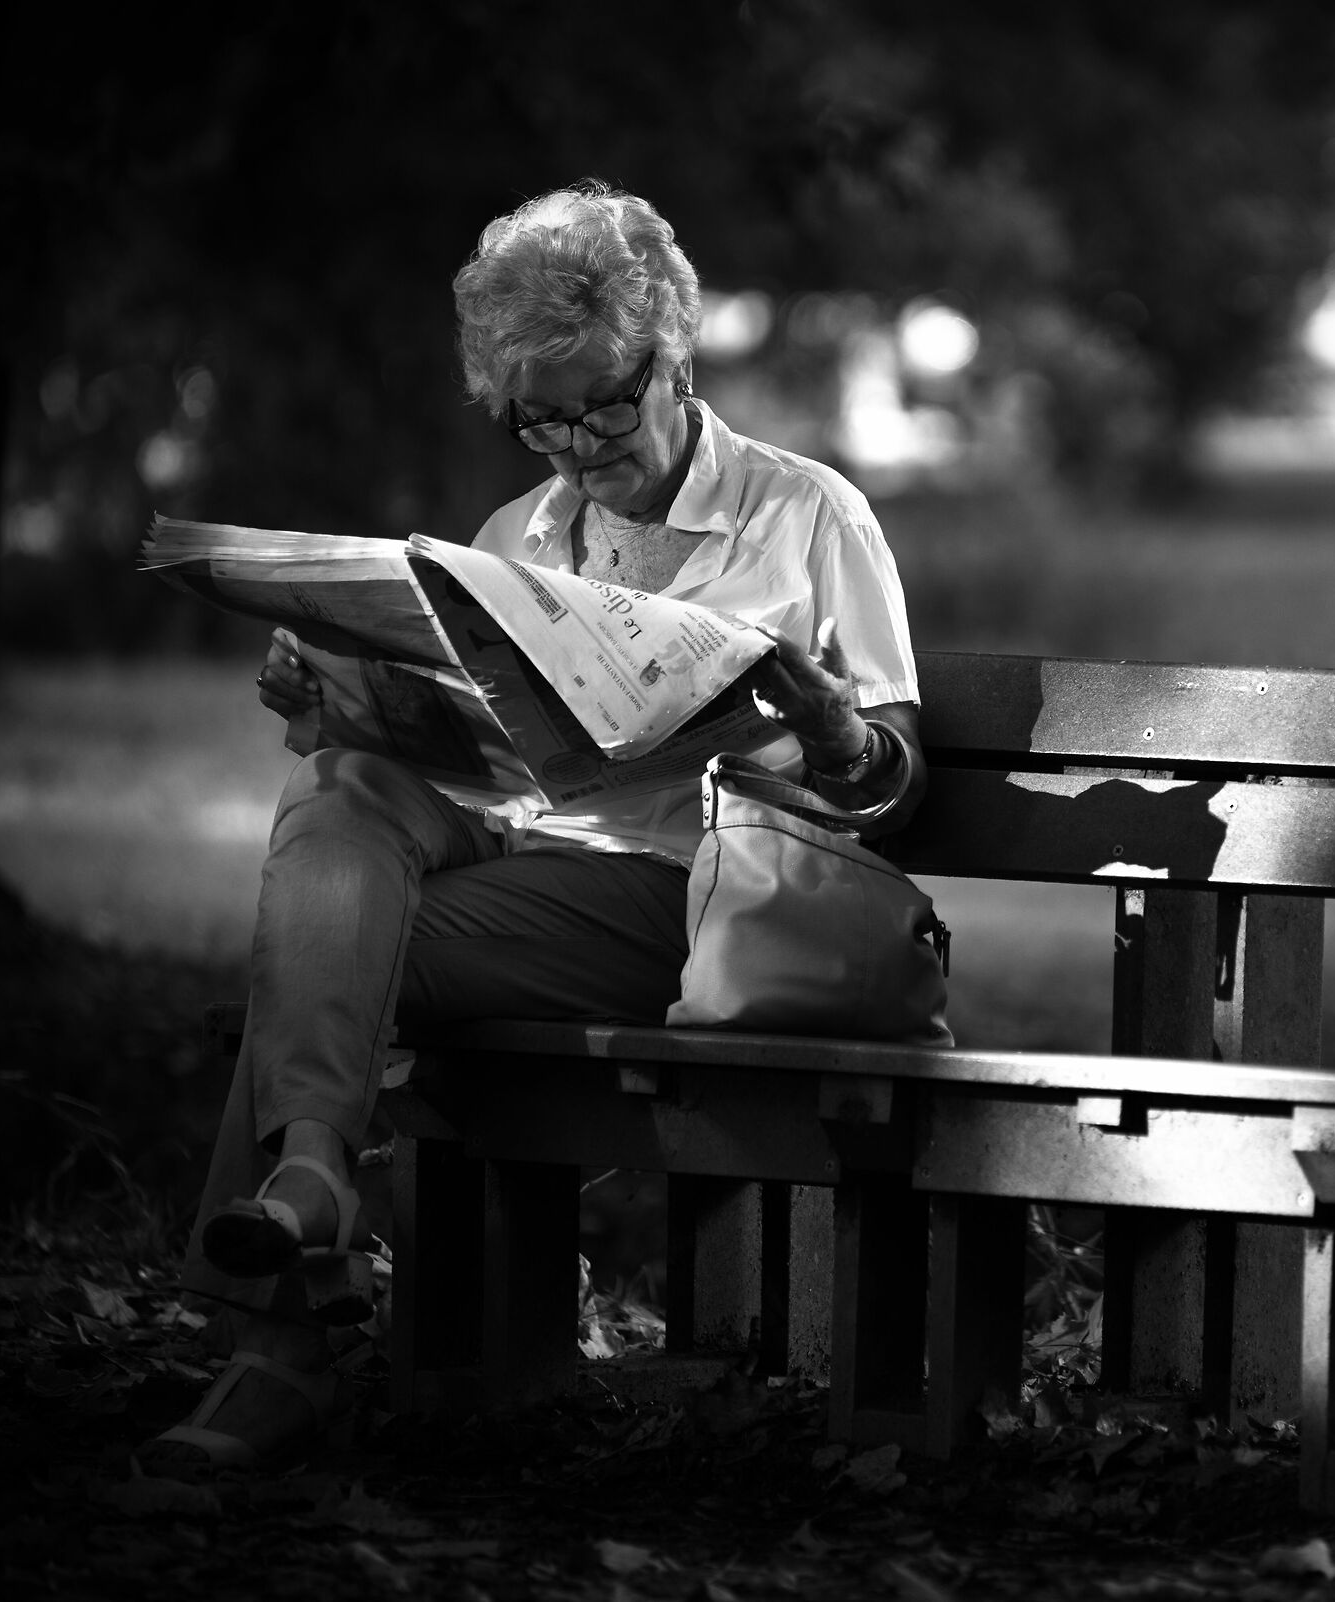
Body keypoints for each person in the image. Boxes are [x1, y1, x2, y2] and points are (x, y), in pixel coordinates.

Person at [142, 181, 927, 1472]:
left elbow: (896, 785)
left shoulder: (808, 515)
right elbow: (463, 747)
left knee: (317, 951)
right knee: (339, 791)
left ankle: (280, 1345)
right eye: (538, 418)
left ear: (673, 356)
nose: (575, 443)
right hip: (512, 859)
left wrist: (836, 732)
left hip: (682, 896)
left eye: (604, 401)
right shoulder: (519, 533)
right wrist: (337, 696)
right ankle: (319, 1179)